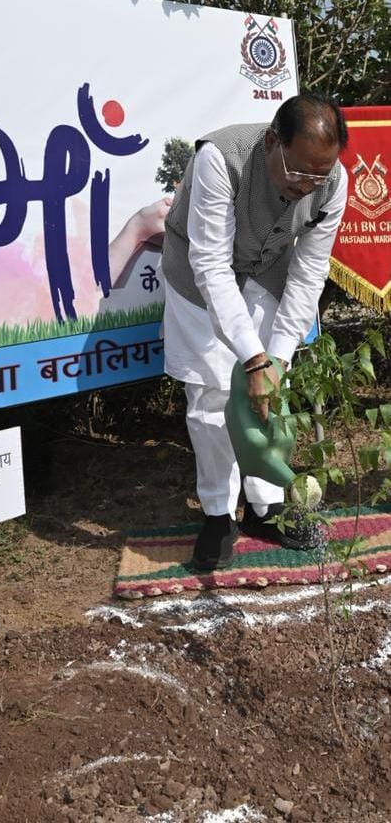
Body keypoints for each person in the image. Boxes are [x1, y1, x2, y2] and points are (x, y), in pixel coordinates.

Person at [161, 93, 349, 571]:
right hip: (200, 279)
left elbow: (310, 272)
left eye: (318, 176)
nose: (305, 187)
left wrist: (276, 359)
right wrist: (253, 358)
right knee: (211, 394)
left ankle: (266, 508)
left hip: (266, 273)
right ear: (271, 143)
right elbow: (211, 265)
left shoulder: (332, 183)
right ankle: (218, 514)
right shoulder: (220, 159)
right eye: (297, 172)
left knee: (268, 395)